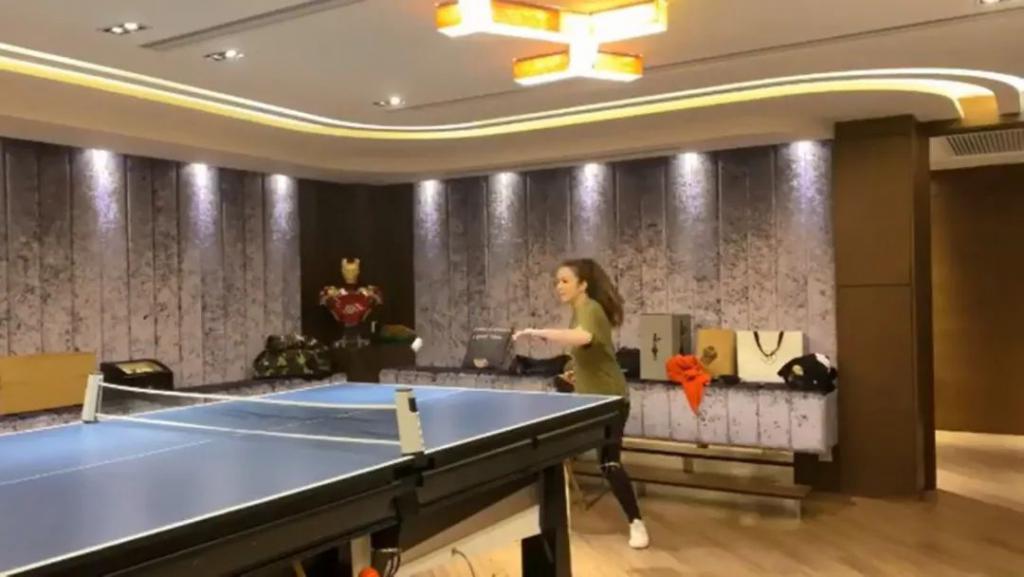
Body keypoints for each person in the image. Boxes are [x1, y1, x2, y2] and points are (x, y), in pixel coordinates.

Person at [513, 258, 649, 550]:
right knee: (557, 451)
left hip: (611, 399)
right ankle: (550, 523)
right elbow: (587, 350)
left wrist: (538, 332)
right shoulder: (578, 311)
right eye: (557, 281)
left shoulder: (591, 309)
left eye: (565, 281)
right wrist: (574, 371)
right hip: (587, 400)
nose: (558, 286)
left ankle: (637, 523)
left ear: (583, 284)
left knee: (609, 463)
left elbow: (583, 337)